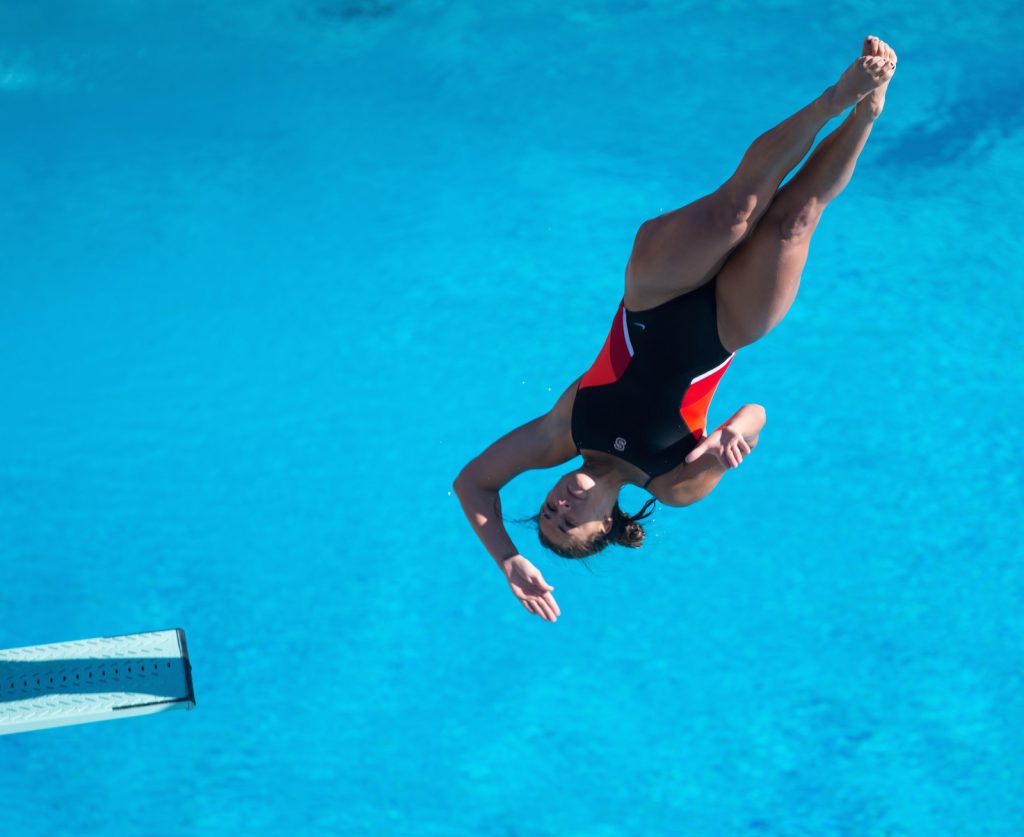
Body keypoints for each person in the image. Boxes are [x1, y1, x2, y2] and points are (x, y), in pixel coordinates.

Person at [454, 37, 898, 622]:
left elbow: (472, 484)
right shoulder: (671, 486)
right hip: (725, 331)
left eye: (546, 511)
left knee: (737, 207)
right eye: (570, 523)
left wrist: (508, 560)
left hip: (653, 293)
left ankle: (836, 98)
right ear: (606, 524)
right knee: (793, 220)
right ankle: (869, 110)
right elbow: (756, 414)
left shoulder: (563, 431)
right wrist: (733, 433)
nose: (559, 506)